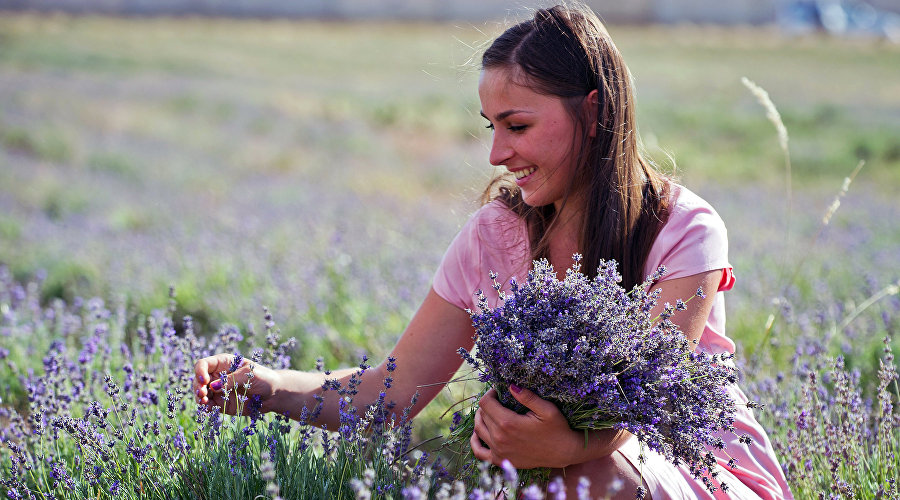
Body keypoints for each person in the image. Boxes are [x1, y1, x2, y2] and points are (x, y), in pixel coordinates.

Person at [194, 3, 793, 498]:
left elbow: (639, 402)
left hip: (707, 476)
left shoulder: (682, 228)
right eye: (491, 127)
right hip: (547, 475)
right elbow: (393, 394)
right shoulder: (494, 237)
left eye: (518, 126)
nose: (496, 154)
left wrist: (567, 447)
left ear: (593, 110)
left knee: (589, 478)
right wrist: (267, 386)